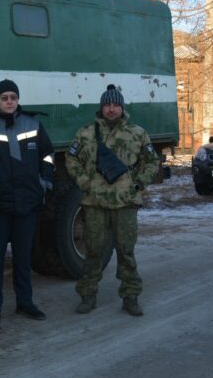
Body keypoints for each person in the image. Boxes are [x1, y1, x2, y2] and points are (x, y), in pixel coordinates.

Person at [65, 84, 159, 316]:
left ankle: (130, 296)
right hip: (95, 202)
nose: (111, 109)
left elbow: (151, 161)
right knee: (94, 250)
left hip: (125, 202)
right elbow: (71, 159)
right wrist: (85, 182)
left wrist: (138, 183)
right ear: (101, 107)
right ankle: (87, 295)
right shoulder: (86, 133)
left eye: (115, 105)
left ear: (121, 107)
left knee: (126, 251)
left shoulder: (137, 133)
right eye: (107, 104)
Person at [0, 79, 55, 322]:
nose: (9, 101)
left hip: (27, 203)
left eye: (13, 97)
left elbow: (48, 154)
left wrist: (44, 183)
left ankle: (25, 303)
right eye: (4, 98)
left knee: (23, 258)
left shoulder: (33, 123)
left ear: (18, 99)